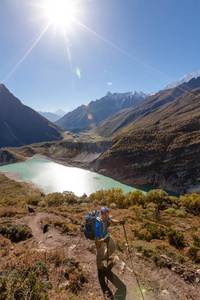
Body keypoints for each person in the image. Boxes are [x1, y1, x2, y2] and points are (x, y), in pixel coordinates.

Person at [95, 206, 125, 271]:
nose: (107, 216)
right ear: (102, 214)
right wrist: (104, 240)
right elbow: (97, 241)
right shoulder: (98, 224)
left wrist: (119, 222)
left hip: (106, 236)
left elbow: (111, 220)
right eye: (106, 215)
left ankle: (105, 257)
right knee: (100, 255)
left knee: (113, 246)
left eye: (108, 215)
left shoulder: (105, 218)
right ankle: (99, 266)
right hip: (101, 239)